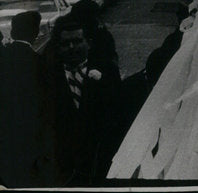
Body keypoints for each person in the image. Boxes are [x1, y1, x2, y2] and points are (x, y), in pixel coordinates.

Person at [41, 13, 123, 184]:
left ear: (89, 43)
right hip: (63, 168)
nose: (72, 47)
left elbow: (117, 115)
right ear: (57, 47)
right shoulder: (46, 78)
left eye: (78, 41)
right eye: (65, 43)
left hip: (99, 164)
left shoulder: (108, 72)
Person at [0, 10, 56, 186]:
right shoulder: (38, 62)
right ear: (35, 33)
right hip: (30, 138)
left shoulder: (3, 56)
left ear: (13, 32)